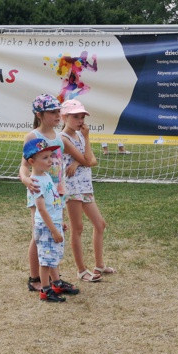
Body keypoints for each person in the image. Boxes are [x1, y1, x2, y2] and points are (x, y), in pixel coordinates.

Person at [19, 95, 77, 293]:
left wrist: (61, 185)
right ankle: (35, 278)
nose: (57, 115)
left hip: (55, 192)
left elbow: (61, 164)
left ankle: (55, 280)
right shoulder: (33, 137)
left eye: (58, 111)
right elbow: (24, 166)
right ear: (39, 114)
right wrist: (26, 180)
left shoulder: (59, 137)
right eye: (52, 112)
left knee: (53, 234)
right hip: (38, 190)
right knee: (40, 234)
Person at [60, 100, 115, 280]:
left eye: (82, 116)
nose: (80, 120)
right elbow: (87, 160)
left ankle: (99, 265)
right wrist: (81, 160)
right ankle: (81, 270)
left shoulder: (81, 135)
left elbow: (92, 160)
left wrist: (87, 140)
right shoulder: (63, 138)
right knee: (78, 228)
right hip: (72, 187)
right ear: (64, 117)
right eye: (75, 116)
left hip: (85, 186)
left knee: (100, 224)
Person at [23, 137, 73, 302]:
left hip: (53, 223)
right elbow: (42, 209)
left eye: (51, 156)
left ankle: (57, 282)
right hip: (45, 227)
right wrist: (53, 229)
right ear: (31, 161)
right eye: (45, 158)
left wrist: (60, 222)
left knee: (54, 256)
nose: (50, 160)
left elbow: (53, 203)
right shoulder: (36, 181)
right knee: (45, 259)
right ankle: (45, 290)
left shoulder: (46, 176)